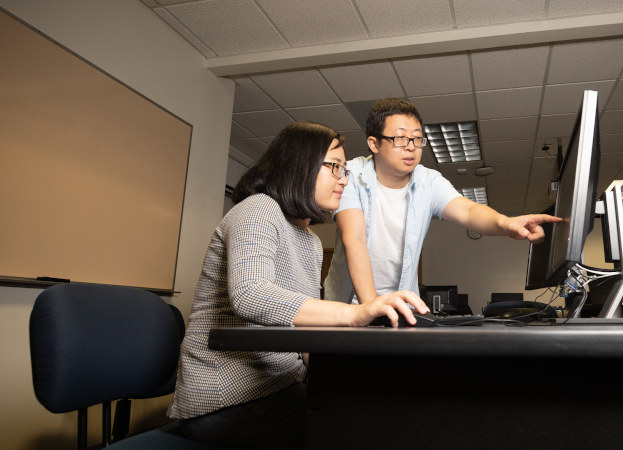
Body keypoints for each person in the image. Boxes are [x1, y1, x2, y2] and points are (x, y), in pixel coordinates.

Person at [167, 122, 429, 449]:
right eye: (334, 167)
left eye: (345, 170)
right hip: (225, 401)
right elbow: (250, 295)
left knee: (382, 409)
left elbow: (301, 332)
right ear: (299, 165)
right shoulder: (258, 209)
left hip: (280, 388)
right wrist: (355, 313)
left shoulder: (309, 241)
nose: (344, 179)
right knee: (367, 430)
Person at [323, 98, 562, 305]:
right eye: (400, 139)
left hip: (402, 303)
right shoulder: (351, 174)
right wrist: (371, 307)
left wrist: (504, 223)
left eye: (417, 139)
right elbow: (353, 239)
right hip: (348, 304)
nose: (411, 147)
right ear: (374, 143)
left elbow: (468, 211)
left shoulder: (428, 181)